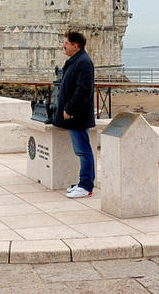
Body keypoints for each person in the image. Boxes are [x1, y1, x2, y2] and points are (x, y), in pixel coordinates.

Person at [52, 31, 96, 198]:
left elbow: (83, 90)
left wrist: (69, 110)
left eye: (66, 43)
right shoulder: (76, 61)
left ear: (75, 46)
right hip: (74, 115)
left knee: (83, 151)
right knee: (81, 150)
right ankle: (83, 183)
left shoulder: (83, 62)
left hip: (77, 115)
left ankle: (86, 186)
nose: (64, 46)